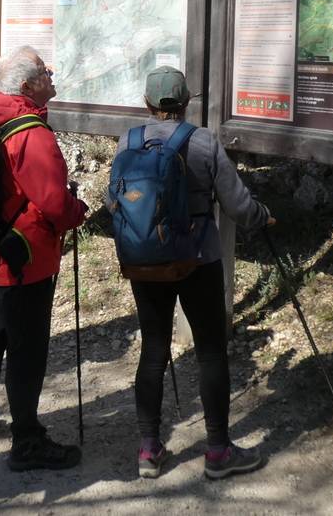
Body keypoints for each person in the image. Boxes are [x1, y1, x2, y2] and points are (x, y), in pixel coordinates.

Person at [111, 65, 274, 481]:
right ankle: (218, 452)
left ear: (146, 103)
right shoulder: (203, 142)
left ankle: (149, 450)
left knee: (153, 349)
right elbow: (237, 206)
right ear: (186, 103)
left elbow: (115, 202)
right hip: (197, 259)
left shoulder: (126, 142)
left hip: (144, 262)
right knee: (210, 352)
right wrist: (263, 218)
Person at [0, 45, 88, 471]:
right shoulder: (30, 133)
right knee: (27, 351)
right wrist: (78, 212)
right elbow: (53, 202)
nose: (51, 76)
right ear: (28, 85)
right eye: (45, 72)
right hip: (27, 258)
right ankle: (27, 441)